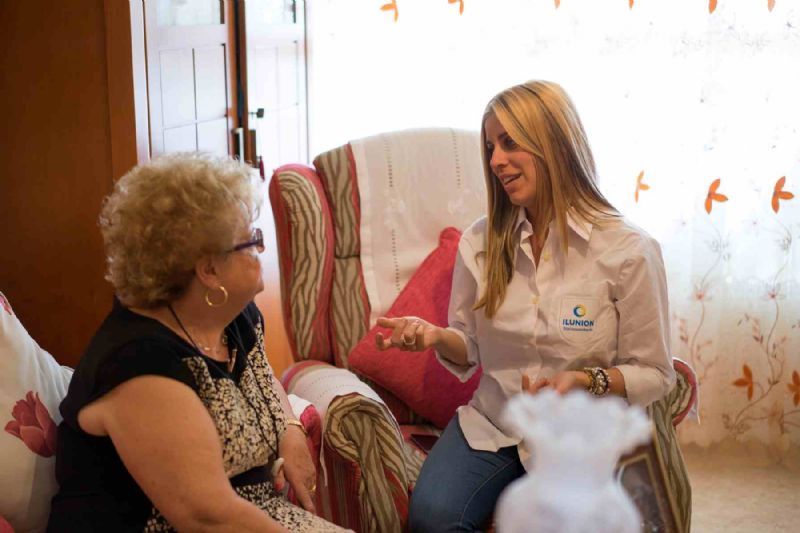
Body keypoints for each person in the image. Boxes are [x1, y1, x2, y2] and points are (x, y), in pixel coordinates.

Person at [376, 80, 676, 532]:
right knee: (432, 519)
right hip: (494, 423)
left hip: (578, 440)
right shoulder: (480, 242)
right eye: (490, 147)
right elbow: (469, 346)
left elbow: (654, 373)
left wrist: (584, 381)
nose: (496, 160)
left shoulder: (629, 250)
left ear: (554, 143)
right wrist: (436, 337)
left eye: (510, 142)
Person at [47, 154, 347, 532]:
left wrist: (290, 427)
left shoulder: (232, 317)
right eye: (251, 241)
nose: (261, 250)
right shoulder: (139, 364)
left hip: (252, 513)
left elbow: (261, 378)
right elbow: (207, 517)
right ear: (209, 270)